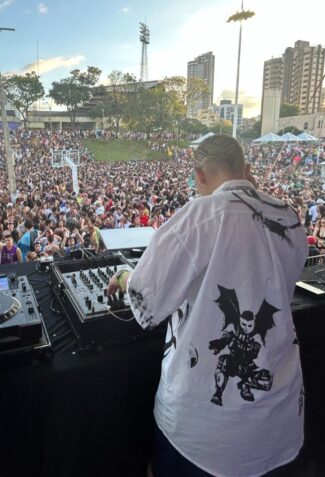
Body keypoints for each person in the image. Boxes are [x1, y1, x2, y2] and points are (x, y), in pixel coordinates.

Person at [108, 135, 308, 477]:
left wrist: (125, 277)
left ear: (199, 175)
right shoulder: (287, 216)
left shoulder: (199, 216)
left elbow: (146, 304)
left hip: (203, 433)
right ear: (246, 170)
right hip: (278, 420)